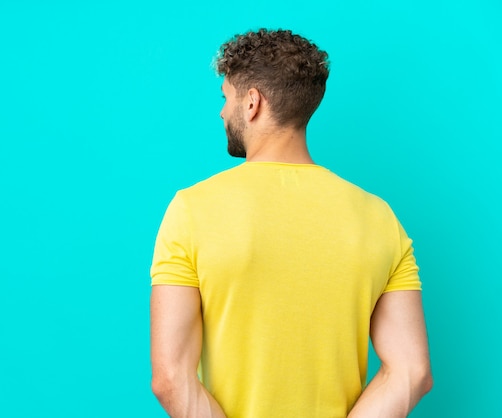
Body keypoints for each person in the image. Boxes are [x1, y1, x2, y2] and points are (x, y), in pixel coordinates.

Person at [149, 28, 432, 418]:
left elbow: (170, 378)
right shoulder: (378, 216)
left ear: (252, 103)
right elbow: (412, 372)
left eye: (226, 98)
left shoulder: (191, 209)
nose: (221, 112)